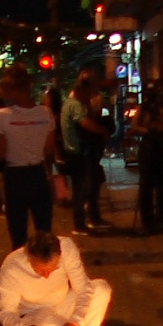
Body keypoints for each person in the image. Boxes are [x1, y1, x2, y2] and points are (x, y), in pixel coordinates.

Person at [0, 232, 112, 326]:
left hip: (62, 301)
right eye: (40, 270)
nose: (47, 276)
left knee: (101, 288)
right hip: (35, 315)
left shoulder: (67, 248)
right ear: (29, 257)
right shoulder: (12, 267)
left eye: (54, 268)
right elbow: (5, 313)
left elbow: (83, 289)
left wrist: (75, 321)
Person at [0, 64, 56, 250]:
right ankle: (45, 269)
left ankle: (20, 273)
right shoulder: (45, 113)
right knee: (44, 231)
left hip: (15, 175)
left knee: (18, 233)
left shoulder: (3, 116)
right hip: (38, 172)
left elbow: (1, 153)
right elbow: (49, 149)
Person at [62, 74, 112, 235]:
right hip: (79, 153)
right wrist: (103, 131)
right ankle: (80, 223)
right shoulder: (75, 105)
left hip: (77, 152)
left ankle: (88, 219)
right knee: (82, 188)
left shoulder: (72, 104)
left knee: (85, 186)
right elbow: (86, 124)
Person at [131, 79, 163, 234]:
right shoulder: (144, 107)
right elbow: (135, 125)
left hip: (162, 147)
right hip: (148, 147)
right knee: (146, 185)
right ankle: (147, 220)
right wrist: (147, 130)